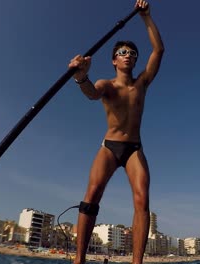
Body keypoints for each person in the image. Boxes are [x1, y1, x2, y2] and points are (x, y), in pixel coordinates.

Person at [68, 1, 164, 263]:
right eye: (123, 51)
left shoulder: (141, 83)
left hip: (134, 148)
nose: (128, 54)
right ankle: (79, 260)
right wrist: (80, 77)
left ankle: (137, 263)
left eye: (132, 53)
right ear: (113, 60)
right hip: (110, 146)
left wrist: (146, 17)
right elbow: (91, 94)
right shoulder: (106, 85)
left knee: (142, 198)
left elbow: (159, 49)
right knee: (92, 195)